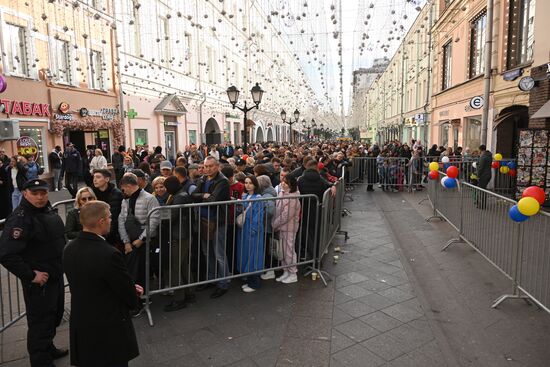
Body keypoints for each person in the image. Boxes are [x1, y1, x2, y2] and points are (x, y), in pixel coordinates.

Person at [63, 201, 141, 367]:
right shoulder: (109, 253)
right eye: (110, 217)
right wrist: (134, 294)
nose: (111, 220)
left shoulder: (69, 249)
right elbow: (125, 292)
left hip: (82, 321)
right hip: (108, 325)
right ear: (101, 221)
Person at [0, 179, 68, 367]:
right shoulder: (20, 218)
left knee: (53, 316)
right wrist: (31, 275)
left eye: (43, 193)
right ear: (25, 193)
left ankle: (48, 348)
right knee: (40, 323)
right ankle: (41, 361)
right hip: (40, 282)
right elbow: (7, 255)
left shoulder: (46, 209)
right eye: (35, 193)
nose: (40, 197)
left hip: (55, 274)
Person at [118, 173, 160, 311]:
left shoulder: (149, 198)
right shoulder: (125, 201)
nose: (123, 192)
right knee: (132, 271)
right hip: (130, 242)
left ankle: (142, 300)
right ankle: (136, 300)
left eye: (123, 189)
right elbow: (121, 220)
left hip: (144, 242)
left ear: (128, 186)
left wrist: (141, 239)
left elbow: (154, 221)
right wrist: (126, 241)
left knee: (142, 271)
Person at [191, 157, 231, 298]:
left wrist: (201, 196)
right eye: (205, 166)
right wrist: (203, 195)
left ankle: (223, 283)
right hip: (203, 220)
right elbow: (193, 194)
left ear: (217, 166)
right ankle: (211, 279)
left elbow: (214, 200)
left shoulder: (222, 181)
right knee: (207, 252)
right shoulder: (203, 179)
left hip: (217, 221)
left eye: (210, 166)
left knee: (219, 253)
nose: (207, 169)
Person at [162, 176, 195, 312]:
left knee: (176, 266)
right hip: (182, 234)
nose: (165, 189)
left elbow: (172, 216)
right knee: (183, 265)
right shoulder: (179, 194)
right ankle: (189, 293)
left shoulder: (179, 196)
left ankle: (179, 299)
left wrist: (162, 221)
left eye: (166, 186)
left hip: (179, 236)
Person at [237, 175, 266, 293]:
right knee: (245, 255)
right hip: (245, 230)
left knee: (253, 256)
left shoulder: (258, 198)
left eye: (250, 183)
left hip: (253, 231)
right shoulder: (245, 196)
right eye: (246, 182)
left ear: (255, 184)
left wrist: (253, 229)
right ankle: (250, 280)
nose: (247, 185)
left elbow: (258, 216)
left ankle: (254, 283)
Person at [272, 175, 301, 284]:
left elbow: (286, 215)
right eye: (282, 181)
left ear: (291, 185)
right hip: (281, 227)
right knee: (283, 251)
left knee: (289, 250)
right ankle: (286, 271)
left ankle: (293, 273)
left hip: (289, 228)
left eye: (286, 182)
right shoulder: (281, 193)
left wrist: (274, 224)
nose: (283, 183)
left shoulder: (293, 198)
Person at [92, 169, 124, 246]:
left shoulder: (117, 194)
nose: (95, 180)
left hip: (114, 234)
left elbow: (118, 216)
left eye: (98, 177)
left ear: (107, 179)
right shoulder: (92, 194)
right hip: (96, 232)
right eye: (94, 177)